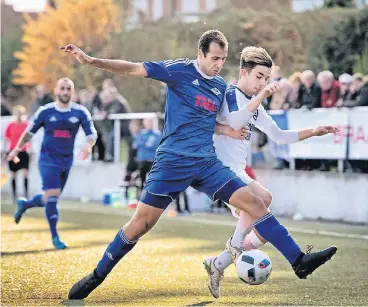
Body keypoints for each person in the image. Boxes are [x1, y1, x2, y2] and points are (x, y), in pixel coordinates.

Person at [60, 30, 337, 300]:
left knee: (257, 202)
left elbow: (216, 121)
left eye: (222, 59)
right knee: (140, 225)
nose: (218, 65)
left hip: (206, 164)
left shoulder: (219, 87)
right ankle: (97, 275)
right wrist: (91, 60)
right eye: (214, 58)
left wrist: (226, 131)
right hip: (172, 162)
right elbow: (133, 68)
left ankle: (299, 260)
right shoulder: (179, 71)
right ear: (200, 54)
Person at [204, 46, 339, 298]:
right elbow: (233, 122)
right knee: (259, 204)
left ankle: (220, 262)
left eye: (267, 78)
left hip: (236, 170)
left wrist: (313, 131)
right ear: (244, 72)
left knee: (265, 203)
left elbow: (279, 136)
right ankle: (294, 259)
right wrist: (262, 95)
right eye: (259, 77)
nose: (263, 83)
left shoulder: (256, 105)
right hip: (217, 169)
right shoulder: (231, 93)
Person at [7, 78, 97, 250]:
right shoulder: (45, 111)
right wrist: (17, 149)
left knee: (49, 198)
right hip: (47, 159)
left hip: (66, 160)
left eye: (68, 89)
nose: (65, 92)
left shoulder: (80, 112)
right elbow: (29, 132)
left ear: (72, 92)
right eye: (62, 88)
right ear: (56, 91)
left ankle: (25, 204)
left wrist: (88, 145)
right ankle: (55, 237)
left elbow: (91, 133)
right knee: (53, 195)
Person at [4, 105, 30, 203]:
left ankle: (26, 195)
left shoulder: (26, 125)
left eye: (21, 113)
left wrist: (31, 150)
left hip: (23, 151)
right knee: (13, 174)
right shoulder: (11, 125)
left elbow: (29, 138)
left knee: (25, 173)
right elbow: (7, 139)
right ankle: (14, 196)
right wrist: (5, 151)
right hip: (13, 152)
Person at [135, 118, 161, 191]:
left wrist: (146, 144)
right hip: (143, 159)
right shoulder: (141, 134)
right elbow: (137, 145)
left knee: (153, 179)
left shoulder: (157, 134)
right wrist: (147, 144)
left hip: (152, 160)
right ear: (144, 123)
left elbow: (156, 145)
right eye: (147, 122)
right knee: (142, 179)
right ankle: (141, 194)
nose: (149, 124)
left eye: (150, 122)